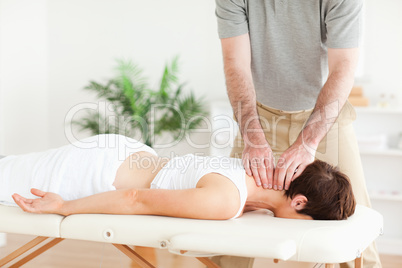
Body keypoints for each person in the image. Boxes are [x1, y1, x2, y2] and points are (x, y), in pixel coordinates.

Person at [214, 0, 381, 267]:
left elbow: (344, 66)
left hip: (326, 119)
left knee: (353, 223)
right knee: (228, 219)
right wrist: (253, 138)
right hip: (259, 120)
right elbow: (235, 64)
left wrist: (308, 141)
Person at [1, 134, 355, 221]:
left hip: (124, 155)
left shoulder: (255, 179)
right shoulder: (227, 200)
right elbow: (134, 200)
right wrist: (65, 207)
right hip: (95, 173)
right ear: (298, 201)